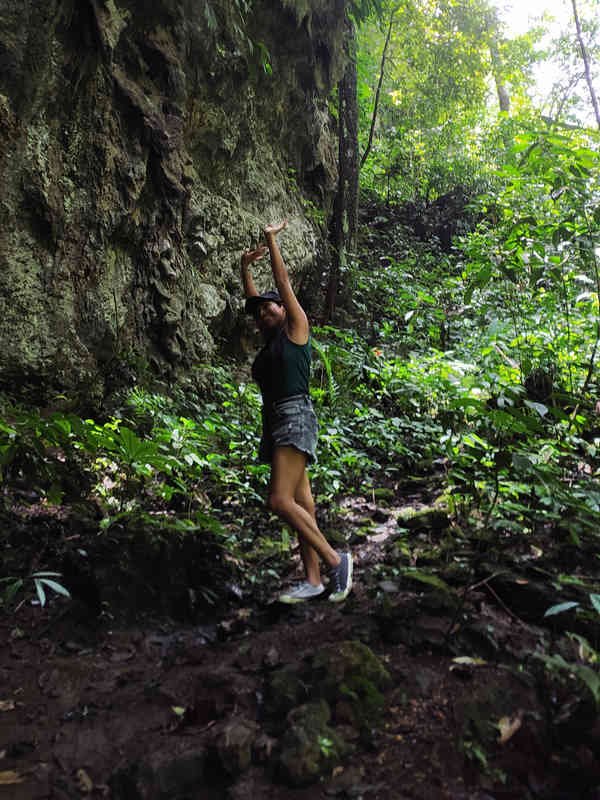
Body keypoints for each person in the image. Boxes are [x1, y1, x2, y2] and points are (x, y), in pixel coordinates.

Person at [240, 220, 352, 604]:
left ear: (282, 309)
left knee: (279, 500)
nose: (262, 314)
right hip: (275, 423)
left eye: (269, 308)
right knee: (302, 503)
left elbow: (283, 285)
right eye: (258, 314)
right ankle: (314, 580)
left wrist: (271, 241)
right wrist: (245, 270)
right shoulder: (271, 342)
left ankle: (336, 561)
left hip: (294, 417)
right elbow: (256, 303)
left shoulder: (295, 330)